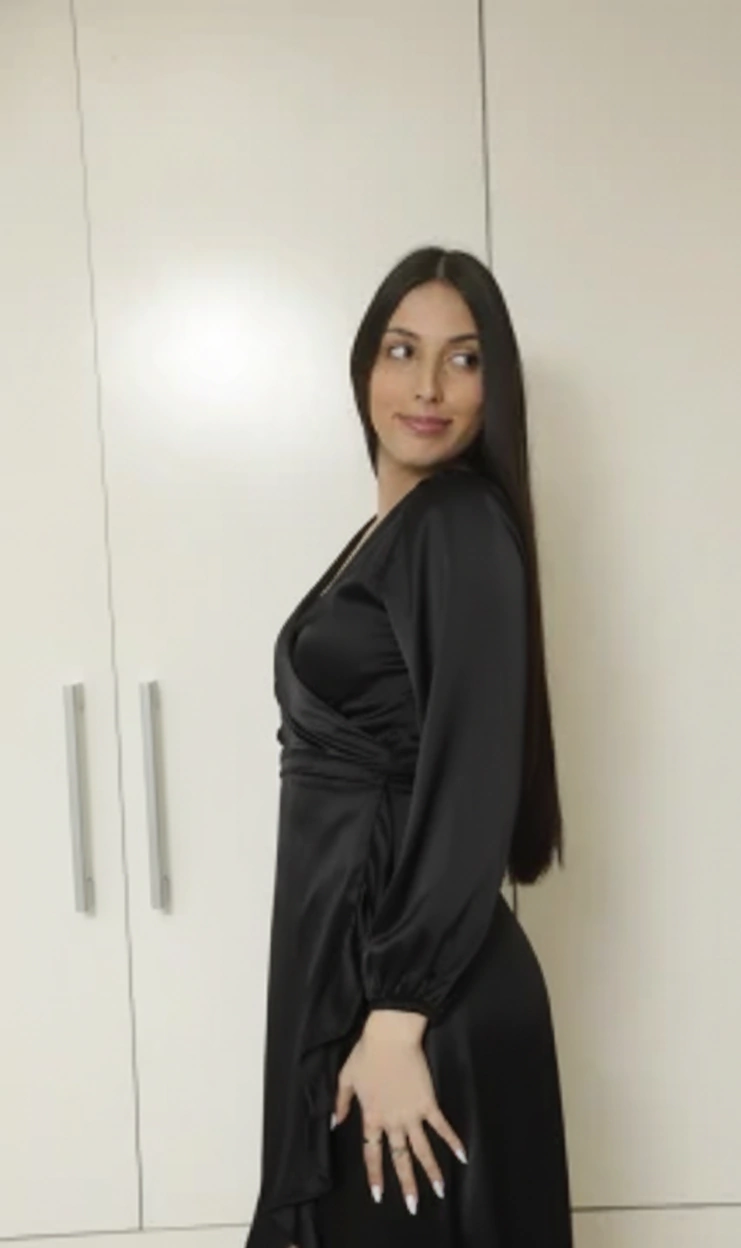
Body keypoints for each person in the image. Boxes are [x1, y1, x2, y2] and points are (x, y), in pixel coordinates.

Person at [245, 246, 573, 1248]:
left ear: (493, 386)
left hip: (420, 1009)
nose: (428, 386)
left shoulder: (457, 523)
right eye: (402, 350)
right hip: (368, 978)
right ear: (363, 367)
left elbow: (472, 771)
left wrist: (397, 1017)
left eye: (464, 359)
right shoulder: (391, 531)